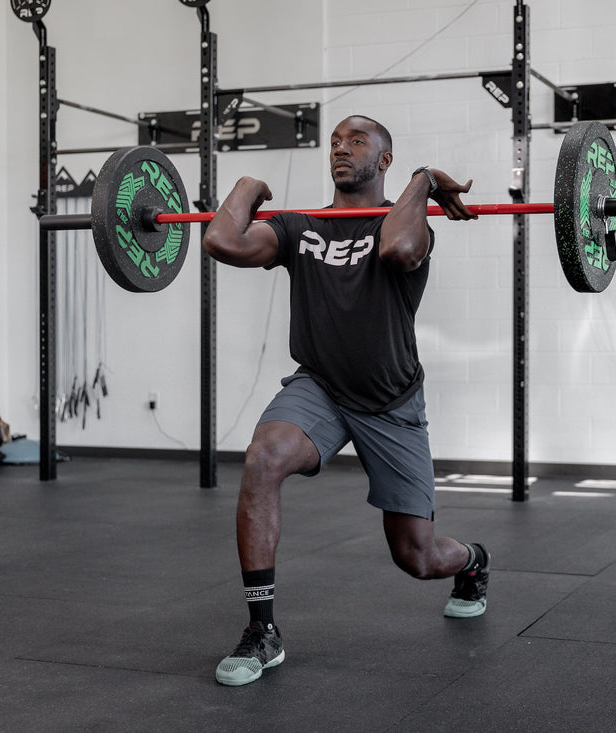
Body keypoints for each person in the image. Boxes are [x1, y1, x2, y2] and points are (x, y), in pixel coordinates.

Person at [202, 115, 491, 687]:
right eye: (335, 141)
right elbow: (221, 241)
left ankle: (475, 562)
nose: (341, 148)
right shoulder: (298, 226)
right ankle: (263, 633)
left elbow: (400, 250)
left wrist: (424, 180)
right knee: (263, 459)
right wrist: (248, 188)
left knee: (417, 557)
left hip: (390, 401)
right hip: (322, 388)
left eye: (357, 141)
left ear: (384, 160)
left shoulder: (407, 223)